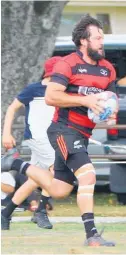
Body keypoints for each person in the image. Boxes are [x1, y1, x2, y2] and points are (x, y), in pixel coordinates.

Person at [2, 15, 116, 246]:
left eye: (102, 37)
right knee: (88, 176)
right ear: (84, 41)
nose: (102, 41)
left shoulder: (107, 69)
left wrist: (111, 114)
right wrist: (85, 101)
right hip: (64, 130)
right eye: (97, 37)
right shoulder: (68, 64)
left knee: (59, 189)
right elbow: (51, 96)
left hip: (83, 133)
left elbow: (111, 99)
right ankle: (91, 235)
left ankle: (15, 164)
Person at [1, 56, 62, 230]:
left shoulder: (60, 91)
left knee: (34, 180)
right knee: (56, 171)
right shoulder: (34, 89)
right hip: (38, 138)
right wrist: (6, 132)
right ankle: (41, 212)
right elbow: (12, 108)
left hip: (51, 139)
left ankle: (5, 214)